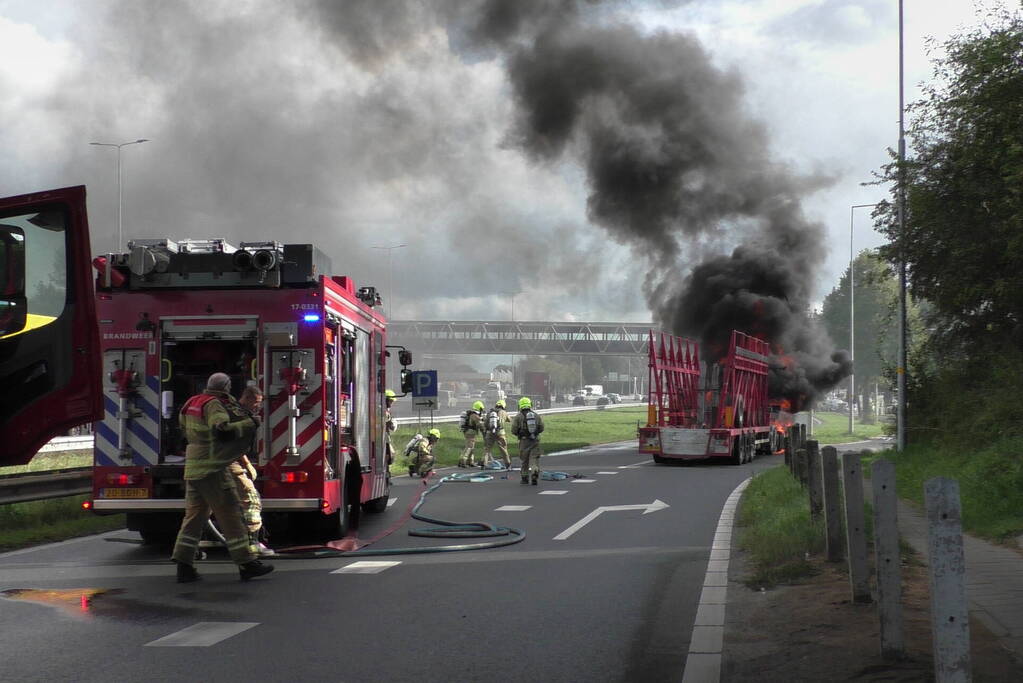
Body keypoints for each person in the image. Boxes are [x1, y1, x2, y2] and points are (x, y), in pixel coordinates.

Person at [170, 372, 274, 582]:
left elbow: (183, 428)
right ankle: (246, 563)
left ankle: (184, 566)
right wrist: (250, 423)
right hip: (213, 468)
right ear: (226, 387)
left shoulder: (191, 402)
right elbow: (222, 430)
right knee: (231, 514)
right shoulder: (215, 404)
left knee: (193, 518)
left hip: (193, 468)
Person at [225, 385, 274, 557]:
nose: (257, 407)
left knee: (204, 509)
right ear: (247, 398)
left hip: (215, 464)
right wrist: (246, 464)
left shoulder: (230, 411)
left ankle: (192, 549)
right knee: (252, 501)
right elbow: (235, 444)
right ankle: (252, 545)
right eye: (256, 403)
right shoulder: (240, 416)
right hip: (229, 463)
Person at [511, 396, 545, 485]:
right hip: (535, 441)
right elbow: (541, 428)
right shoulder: (536, 415)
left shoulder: (518, 417)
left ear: (520, 405)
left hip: (524, 441)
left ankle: (525, 478)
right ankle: (534, 474)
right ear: (530, 405)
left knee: (524, 461)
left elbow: (513, 430)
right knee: (534, 459)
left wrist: (520, 433)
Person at [482, 399, 512, 469]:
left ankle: (483, 463)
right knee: (503, 449)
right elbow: (510, 420)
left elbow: (485, 423)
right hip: (500, 433)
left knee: (487, 449)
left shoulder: (490, 412)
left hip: (489, 433)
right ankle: (508, 464)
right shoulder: (504, 412)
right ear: (503, 406)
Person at [457, 400, 485, 468]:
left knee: (471, 447)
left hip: (468, 432)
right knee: (469, 447)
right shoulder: (475, 415)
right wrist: (484, 429)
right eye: (482, 409)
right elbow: (479, 425)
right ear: (480, 408)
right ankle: (463, 461)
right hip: (471, 432)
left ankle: (470, 461)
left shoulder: (472, 414)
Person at [384, 389, 397, 466]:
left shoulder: (386, 410)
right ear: (386, 400)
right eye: (390, 401)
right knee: (390, 455)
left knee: (391, 455)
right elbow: (390, 425)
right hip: (383, 438)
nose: (391, 403)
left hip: (385, 437)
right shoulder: (384, 411)